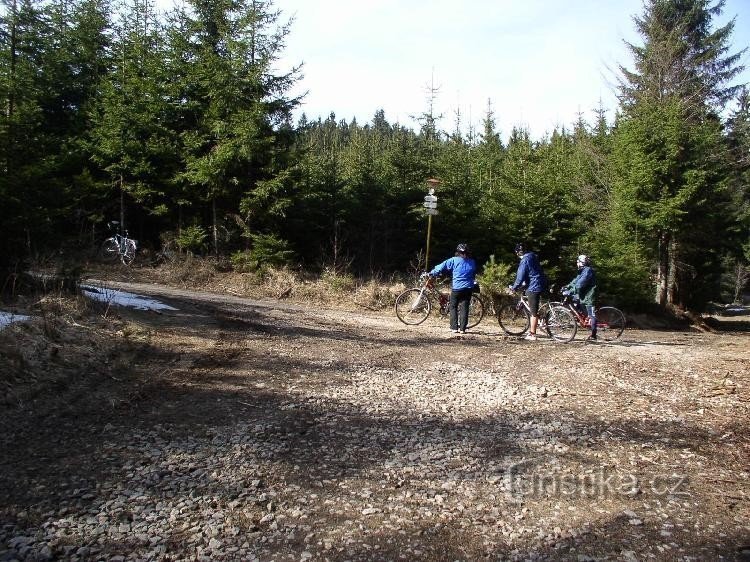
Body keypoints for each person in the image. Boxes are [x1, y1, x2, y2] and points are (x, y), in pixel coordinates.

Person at [428, 243, 477, 334]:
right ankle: (462, 329)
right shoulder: (472, 262)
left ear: (458, 252)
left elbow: (441, 267)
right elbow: (474, 273)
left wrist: (431, 273)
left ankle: (454, 328)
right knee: (464, 307)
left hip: (457, 288)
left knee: (453, 306)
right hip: (468, 288)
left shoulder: (454, 260)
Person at [508, 242, 548, 341]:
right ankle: (543, 322)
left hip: (534, 286)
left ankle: (532, 334)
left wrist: (514, 288)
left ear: (518, 252)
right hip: (541, 282)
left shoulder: (525, 260)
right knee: (536, 307)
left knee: (533, 312)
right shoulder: (533, 256)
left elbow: (520, 276)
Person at [564, 254, 598, 341]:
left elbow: (579, 285)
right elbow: (575, 281)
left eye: (578, 261)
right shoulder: (582, 270)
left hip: (589, 296)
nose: (577, 263)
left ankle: (594, 335)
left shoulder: (587, 271)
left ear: (581, 263)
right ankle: (584, 319)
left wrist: (570, 291)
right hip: (583, 295)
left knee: (591, 315)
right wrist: (567, 286)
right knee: (576, 302)